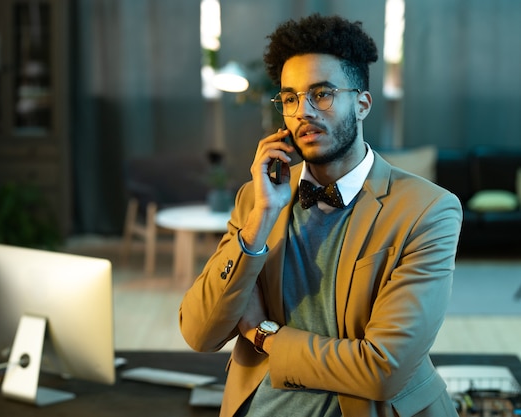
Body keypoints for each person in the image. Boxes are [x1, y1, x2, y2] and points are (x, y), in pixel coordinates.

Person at [179, 13, 462, 417]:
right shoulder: (258, 199)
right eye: (290, 98)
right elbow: (199, 332)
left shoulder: (428, 210)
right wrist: (261, 220)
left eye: (322, 94)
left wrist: (265, 335)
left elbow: (383, 370)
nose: (303, 112)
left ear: (362, 103)